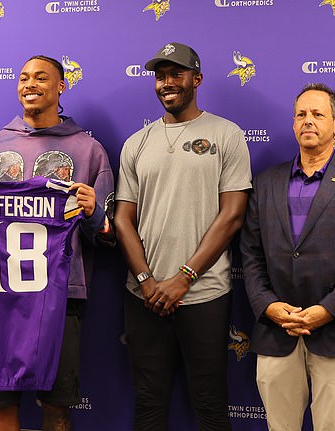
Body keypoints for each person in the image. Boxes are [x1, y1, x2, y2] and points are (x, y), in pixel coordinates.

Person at [0, 55, 114, 431]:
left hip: (60, 294)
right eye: (23, 78)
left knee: (57, 407)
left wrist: (93, 213)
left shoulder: (88, 150)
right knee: (1, 407)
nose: (30, 84)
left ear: (61, 86)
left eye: (41, 77)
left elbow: (107, 234)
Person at [115, 42, 252, 430]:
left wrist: (183, 278)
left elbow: (232, 215)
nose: (167, 83)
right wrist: (147, 281)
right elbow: (123, 219)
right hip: (144, 295)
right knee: (148, 402)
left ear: (197, 79)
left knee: (209, 403)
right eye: (160, 77)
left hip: (204, 293)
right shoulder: (136, 143)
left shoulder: (227, 135)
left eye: (176, 74)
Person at [240, 83, 335, 431]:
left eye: (318, 114)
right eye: (301, 115)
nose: (308, 121)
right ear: (293, 124)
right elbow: (251, 254)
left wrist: (326, 311)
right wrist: (269, 306)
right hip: (277, 331)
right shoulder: (265, 182)